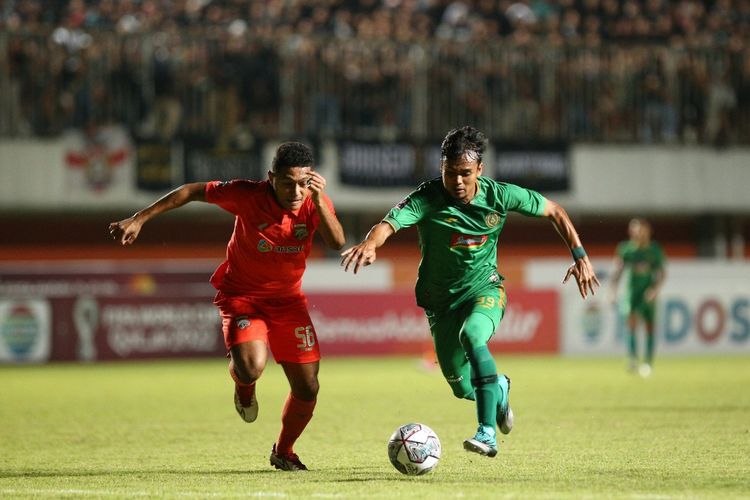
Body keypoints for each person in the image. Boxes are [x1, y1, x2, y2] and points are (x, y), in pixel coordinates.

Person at [341, 126, 599, 458]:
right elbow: (389, 223)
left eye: (465, 173)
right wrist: (370, 244)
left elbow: (555, 211)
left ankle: (486, 433)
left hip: (485, 289)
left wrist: (580, 256)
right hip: (440, 304)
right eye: (450, 173)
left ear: (480, 170)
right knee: (462, 385)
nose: (458, 182)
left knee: (473, 335)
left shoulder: (500, 195)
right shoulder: (428, 197)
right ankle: (500, 388)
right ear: (441, 169)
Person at [109, 142, 345, 471]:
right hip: (242, 297)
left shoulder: (315, 202)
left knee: (308, 387)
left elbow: (337, 243)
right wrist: (140, 218)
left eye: (304, 183)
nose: (296, 191)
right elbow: (191, 191)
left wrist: (319, 202)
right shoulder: (247, 195)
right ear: (271, 177)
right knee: (252, 367)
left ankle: (284, 450)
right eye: (288, 182)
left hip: (288, 302)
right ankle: (244, 386)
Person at [609, 218, 666, 377]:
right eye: (634, 229)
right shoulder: (626, 249)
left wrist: (655, 290)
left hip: (648, 293)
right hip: (632, 293)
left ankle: (648, 362)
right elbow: (617, 272)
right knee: (631, 323)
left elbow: (661, 274)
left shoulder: (654, 250)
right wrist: (612, 291)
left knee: (649, 326)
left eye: (640, 229)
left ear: (647, 231)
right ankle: (633, 359)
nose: (637, 232)